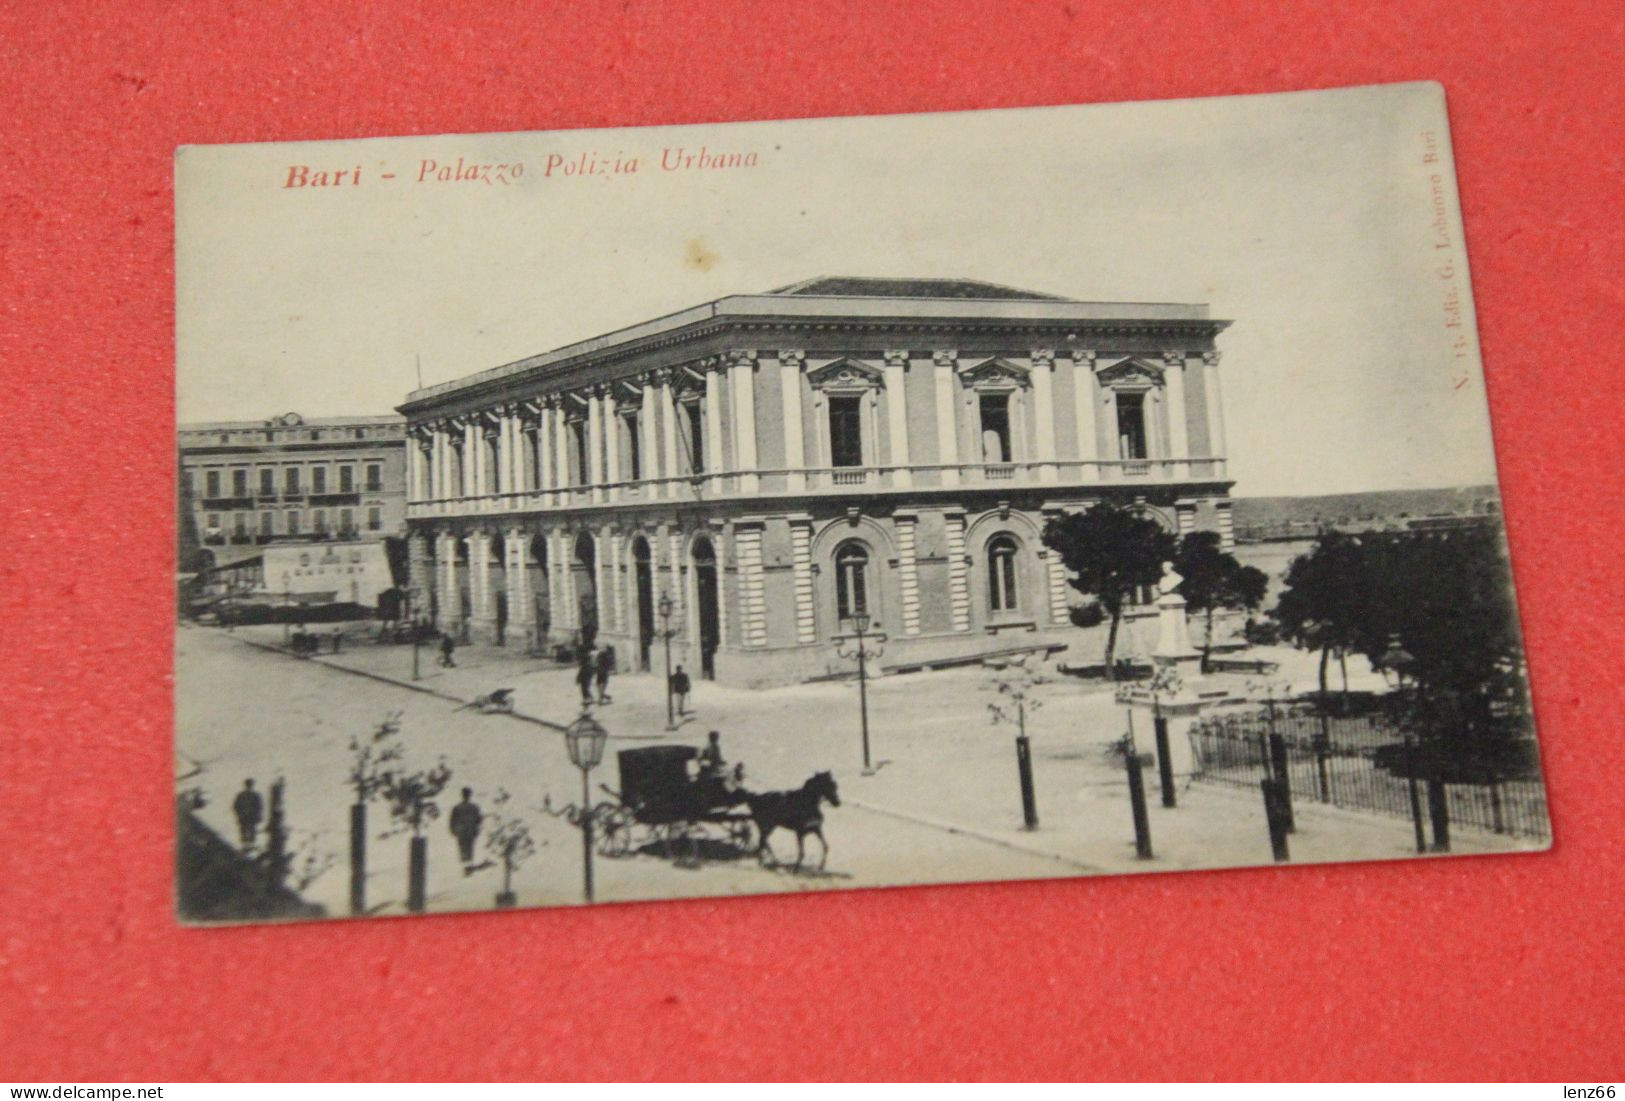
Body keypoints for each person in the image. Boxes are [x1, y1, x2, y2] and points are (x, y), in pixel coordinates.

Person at [449, 788, 483, 868]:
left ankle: (464, 866)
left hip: (461, 832)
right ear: (470, 795)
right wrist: (476, 830)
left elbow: (452, 821)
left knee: (462, 848)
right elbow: (479, 820)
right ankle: (468, 865)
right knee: (470, 848)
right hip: (471, 831)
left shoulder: (457, 807)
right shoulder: (475, 807)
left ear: (462, 795)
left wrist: (453, 830)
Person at [232, 779, 263, 848]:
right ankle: (247, 845)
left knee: (249, 830)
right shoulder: (254, 795)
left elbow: (259, 807)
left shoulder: (242, 795)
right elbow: (236, 806)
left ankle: (248, 845)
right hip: (247, 816)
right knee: (247, 830)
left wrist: (239, 814)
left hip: (248, 816)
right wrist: (239, 814)